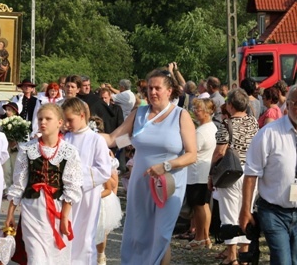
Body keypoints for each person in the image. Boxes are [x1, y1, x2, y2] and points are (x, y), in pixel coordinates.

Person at [101, 69, 197, 265]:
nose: (152, 92)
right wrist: (81, 134)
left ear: (169, 91)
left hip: (169, 185)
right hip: (141, 183)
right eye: (149, 88)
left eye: (157, 88)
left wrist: (167, 165)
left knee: (161, 234)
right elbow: (114, 139)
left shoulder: (180, 115)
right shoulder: (139, 114)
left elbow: (191, 155)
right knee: (141, 233)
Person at [5, 104, 84, 264]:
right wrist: (10, 214)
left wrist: (64, 218)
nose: (43, 122)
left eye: (48, 119)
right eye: (40, 118)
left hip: (56, 210)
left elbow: (72, 187)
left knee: (55, 258)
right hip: (31, 210)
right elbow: (19, 184)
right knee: (35, 258)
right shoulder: (27, 149)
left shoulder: (69, 151)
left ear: (59, 123)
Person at [240, 84, 297, 265]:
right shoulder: (269, 134)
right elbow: (251, 174)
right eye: (295, 103)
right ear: (287, 104)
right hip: (274, 211)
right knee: (283, 261)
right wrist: (245, 210)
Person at [210, 88, 258, 265]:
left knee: (229, 214)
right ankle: (244, 253)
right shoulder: (253, 123)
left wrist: (211, 173)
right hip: (252, 173)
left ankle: (232, 257)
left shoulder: (226, 125)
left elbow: (219, 152)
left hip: (232, 172)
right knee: (247, 211)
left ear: (230, 105)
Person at [62, 97, 112, 264]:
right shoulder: (65, 139)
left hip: (87, 195)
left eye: (70, 120)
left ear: (82, 115)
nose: (67, 125)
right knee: (65, 232)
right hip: (65, 195)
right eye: (65, 120)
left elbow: (104, 171)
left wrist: (75, 177)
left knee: (84, 236)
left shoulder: (96, 140)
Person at [184, 98, 217, 250]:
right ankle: (205, 237)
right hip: (206, 172)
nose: (196, 112)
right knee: (204, 206)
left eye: (199, 109)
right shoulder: (213, 127)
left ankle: (200, 237)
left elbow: (191, 152)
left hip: (197, 173)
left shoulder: (201, 132)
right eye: (195, 109)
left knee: (198, 207)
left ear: (207, 112)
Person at [95, 151, 123, 265]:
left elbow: (113, 184)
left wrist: (102, 172)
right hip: (84, 197)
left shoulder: (107, 157)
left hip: (103, 197)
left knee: (101, 231)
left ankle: (100, 256)